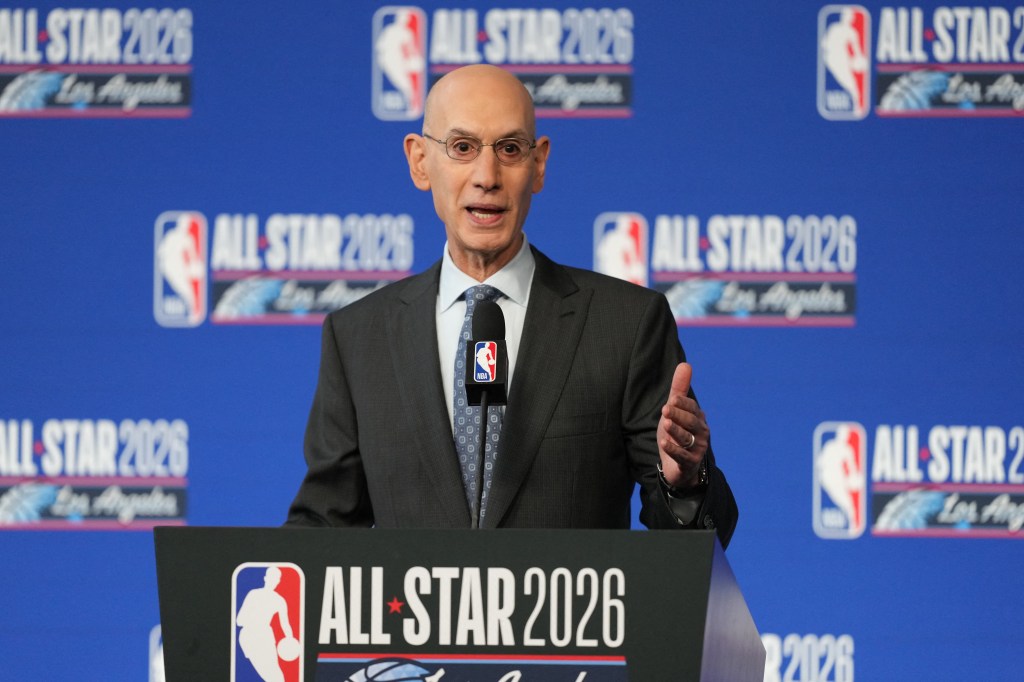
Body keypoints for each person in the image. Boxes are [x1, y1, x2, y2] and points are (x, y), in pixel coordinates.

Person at [285, 64, 737, 546]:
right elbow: (321, 534)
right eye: (462, 148)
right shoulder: (359, 337)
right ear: (420, 162)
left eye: (509, 149)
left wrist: (684, 481)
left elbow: (690, 544)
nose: (487, 176)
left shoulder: (625, 325)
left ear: (538, 164)